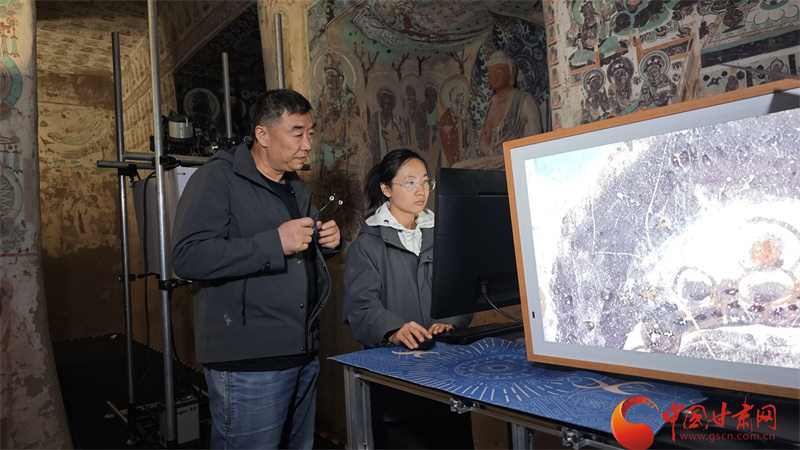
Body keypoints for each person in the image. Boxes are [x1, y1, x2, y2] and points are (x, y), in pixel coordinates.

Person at [171, 89, 344, 449]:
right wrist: (274, 242)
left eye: (311, 133)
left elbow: (295, 260)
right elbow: (188, 257)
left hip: (301, 351)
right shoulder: (218, 177)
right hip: (248, 361)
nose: (308, 144)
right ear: (263, 135)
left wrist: (327, 244)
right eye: (297, 133)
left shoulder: (295, 187)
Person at [343, 148, 472, 349]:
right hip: (393, 357)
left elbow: (461, 292)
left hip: (441, 350)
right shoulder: (366, 246)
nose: (421, 190)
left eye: (425, 181)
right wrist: (394, 330)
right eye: (410, 183)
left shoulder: (442, 237)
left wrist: (449, 321)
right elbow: (361, 307)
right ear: (386, 189)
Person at [478, 51, 543, 157]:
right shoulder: (492, 103)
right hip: (494, 159)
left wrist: (514, 154)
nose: (493, 78)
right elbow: (483, 141)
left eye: (498, 73)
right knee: (459, 165)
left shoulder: (524, 100)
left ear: (512, 72)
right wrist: (490, 152)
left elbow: (535, 136)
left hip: (517, 156)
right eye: (489, 75)